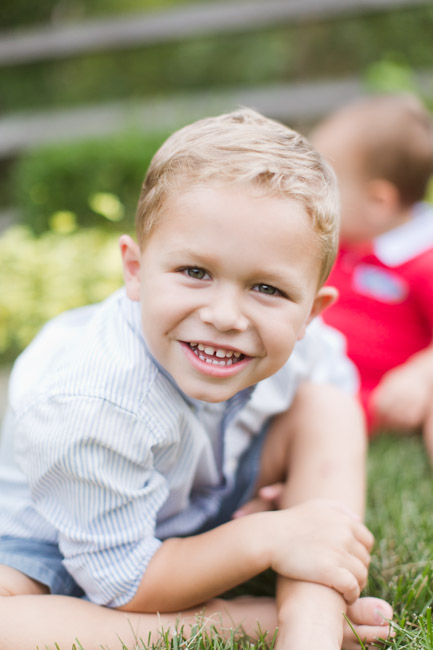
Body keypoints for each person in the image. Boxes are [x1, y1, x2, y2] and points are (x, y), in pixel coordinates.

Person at [0, 108, 393, 650]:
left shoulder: (303, 344)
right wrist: (264, 537)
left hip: (192, 496)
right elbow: (123, 585)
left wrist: (282, 514)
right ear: (135, 270)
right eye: (195, 273)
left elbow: (331, 396)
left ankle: (313, 617)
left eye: (268, 289)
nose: (226, 315)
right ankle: (258, 620)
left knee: (328, 407)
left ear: (311, 313)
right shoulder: (91, 402)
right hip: (58, 536)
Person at [312, 94, 433, 460]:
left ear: (378, 201)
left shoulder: (422, 261)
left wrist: (421, 376)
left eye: (325, 186)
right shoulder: (339, 242)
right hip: (320, 384)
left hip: (384, 398)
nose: (312, 196)